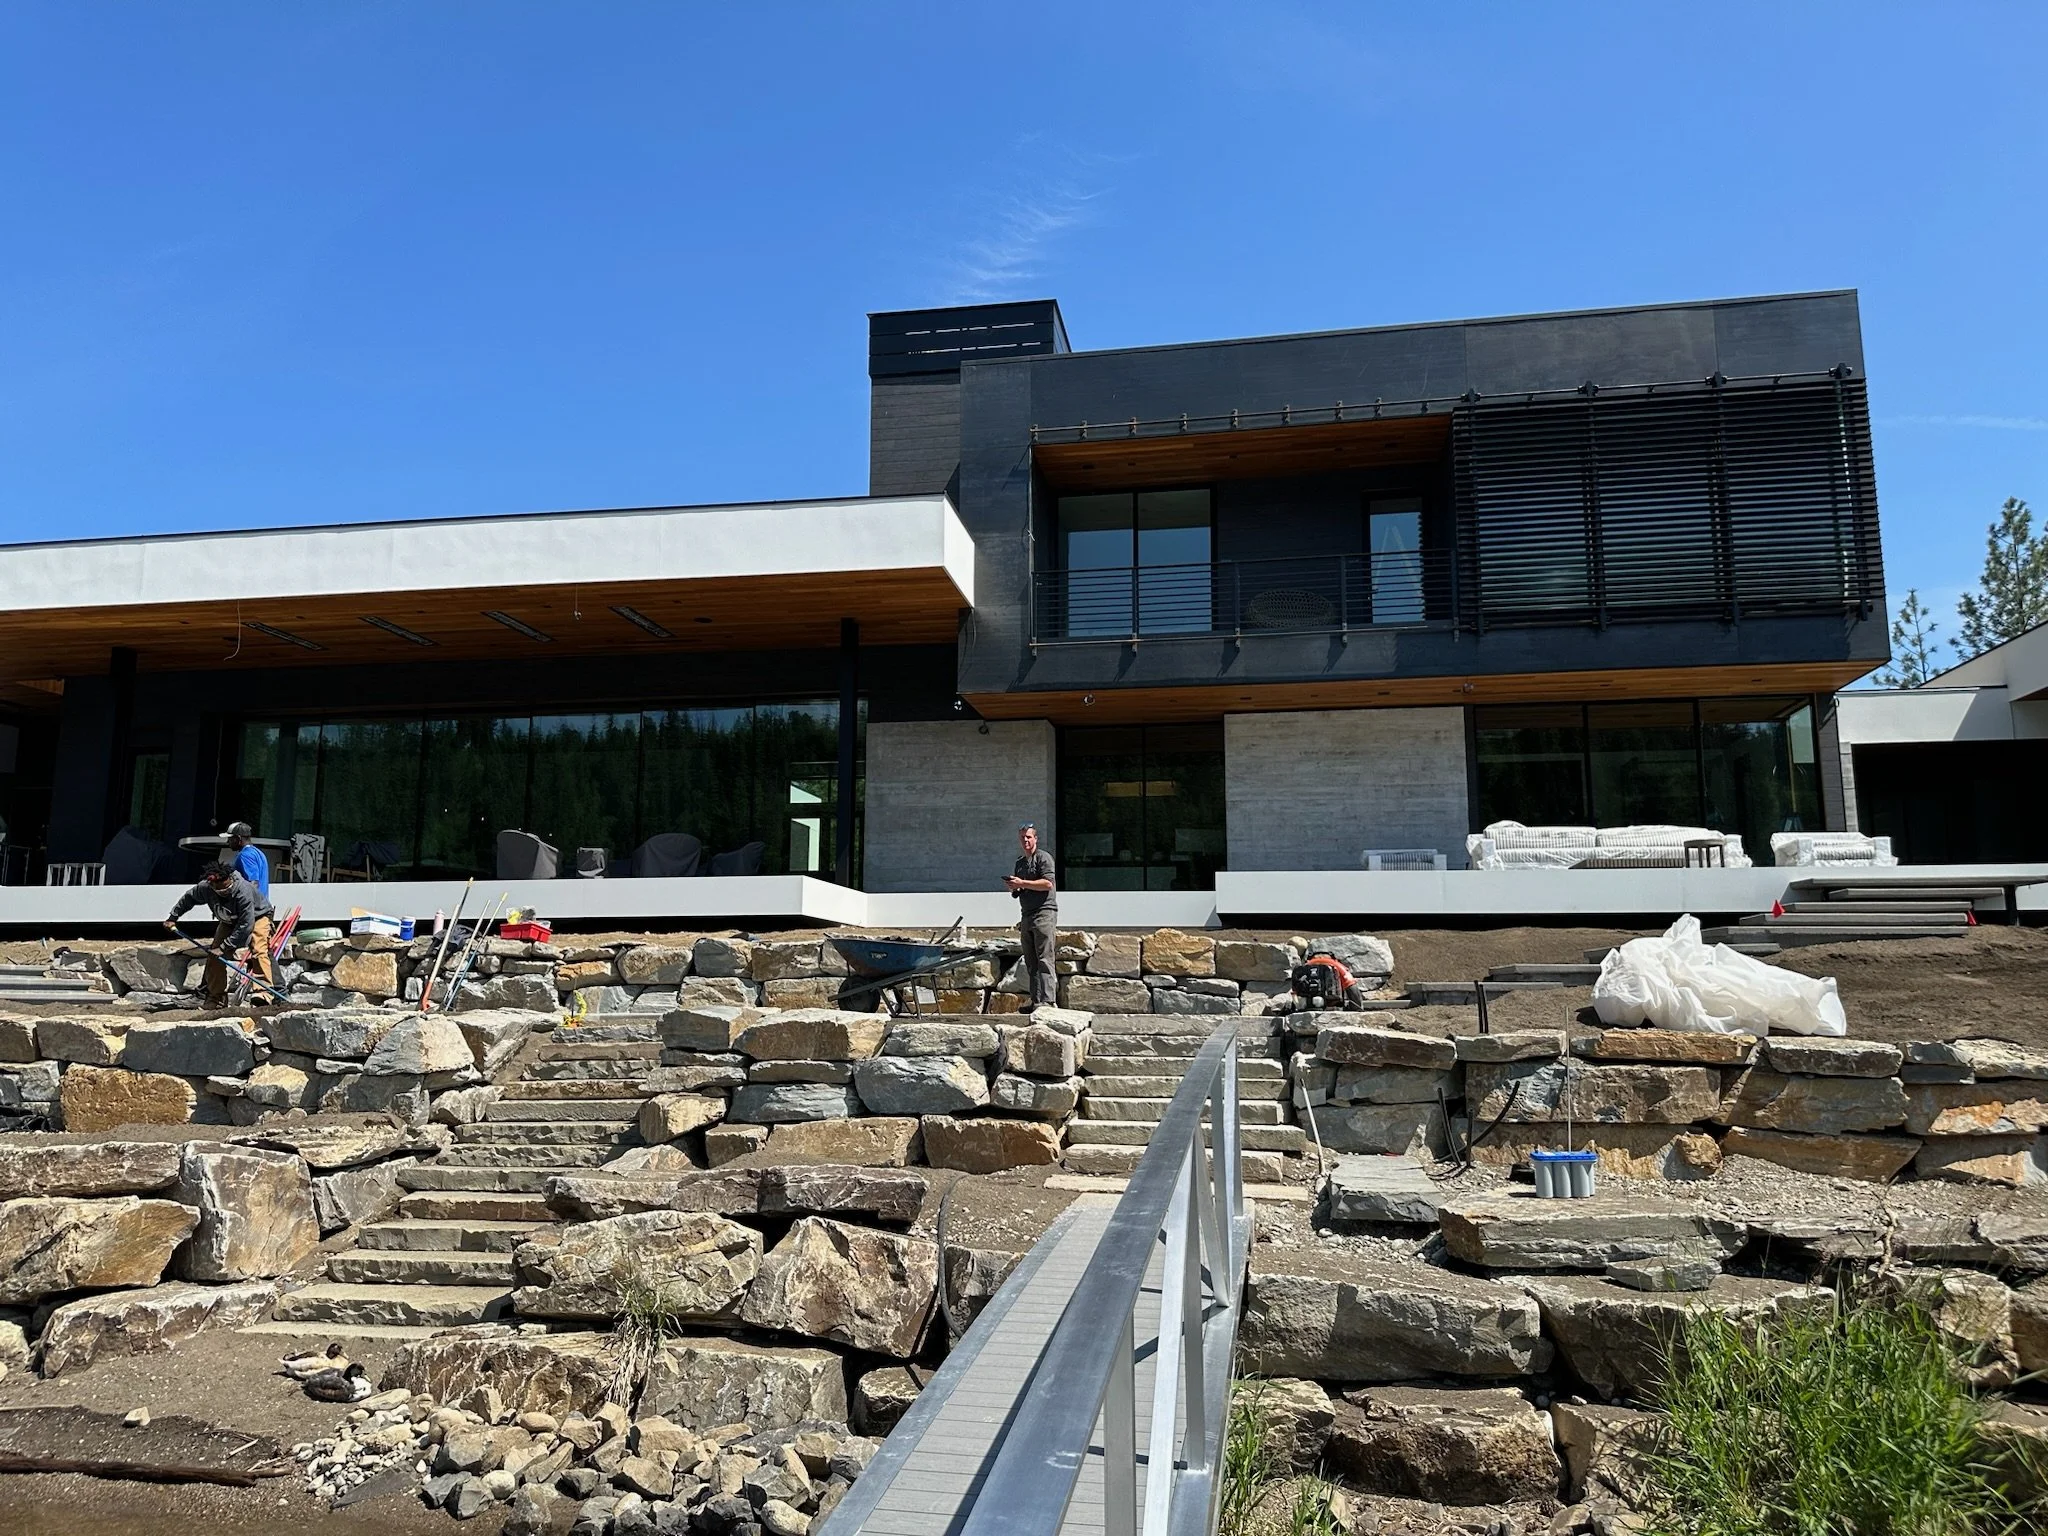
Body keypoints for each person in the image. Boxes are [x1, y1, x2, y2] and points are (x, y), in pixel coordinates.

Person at [164, 859, 276, 1006]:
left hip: (258, 916)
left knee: (258, 949)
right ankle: (216, 999)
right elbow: (188, 898)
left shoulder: (243, 891)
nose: (225, 893)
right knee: (213, 956)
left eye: (227, 889)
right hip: (229, 920)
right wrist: (173, 917)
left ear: (230, 880)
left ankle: (263, 993)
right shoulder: (205, 887)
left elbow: (246, 925)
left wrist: (224, 947)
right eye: (220, 891)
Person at [1003, 821, 1057, 1012]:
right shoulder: (1020, 863)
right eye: (1022, 837)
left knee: (1045, 958)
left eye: (1029, 837)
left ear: (1036, 839)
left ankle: (1048, 1001)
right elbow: (1020, 889)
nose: (1025, 840)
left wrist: (1023, 883)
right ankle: (1036, 1001)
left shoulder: (1044, 858)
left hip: (1044, 913)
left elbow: (1047, 884)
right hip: (1026, 915)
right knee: (1031, 960)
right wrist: (1014, 886)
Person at [224, 821, 270, 902]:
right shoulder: (257, 852)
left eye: (230, 839)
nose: (228, 842)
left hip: (253, 909)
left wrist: (246, 906)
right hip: (261, 906)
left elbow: (253, 883)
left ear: (238, 838)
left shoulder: (245, 855)